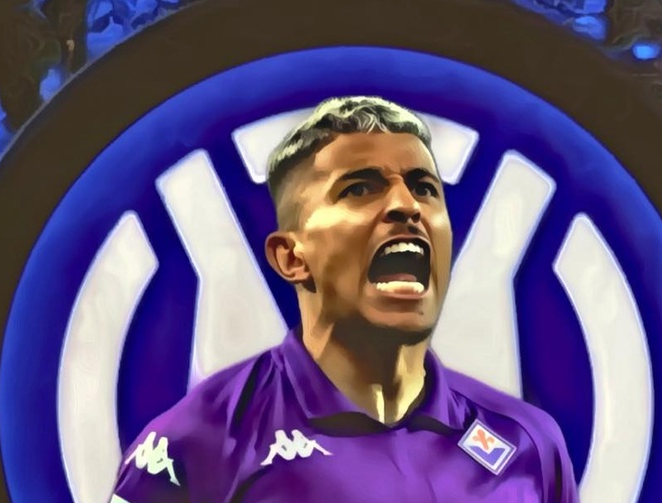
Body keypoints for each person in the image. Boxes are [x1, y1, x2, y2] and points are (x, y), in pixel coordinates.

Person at [109, 96, 579, 502]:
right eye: (360, 188)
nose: (407, 206)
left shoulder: (528, 443)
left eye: (424, 188)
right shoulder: (194, 444)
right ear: (291, 257)